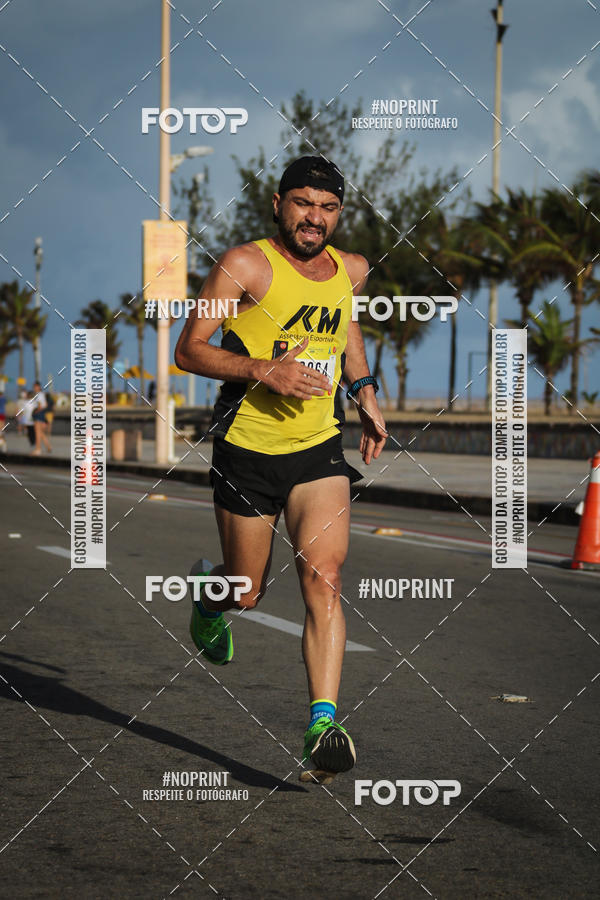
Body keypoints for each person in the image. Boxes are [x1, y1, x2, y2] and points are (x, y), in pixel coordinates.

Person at [175, 156, 387, 783]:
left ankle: (323, 723)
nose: (313, 219)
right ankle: (209, 599)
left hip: (318, 447)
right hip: (246, 448)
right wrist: (263, 369)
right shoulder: (245, 265)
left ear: (338, 213)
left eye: (326, 208)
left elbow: (345, 327)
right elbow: (189, 349)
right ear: (278, 203)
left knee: (324, 577)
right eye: (302, 204)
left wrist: (365, 391)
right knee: (247, 590)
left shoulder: (351, 269)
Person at [31, 381, 51, 456]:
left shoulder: (39, 395)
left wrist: (36, 411)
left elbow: (43, 405)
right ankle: (48, 446)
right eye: (34, 386)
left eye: (35, 386)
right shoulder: (41, 394)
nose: (34, 388)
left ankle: (38, 449)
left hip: (38, 414)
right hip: (41, 414)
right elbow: (45, 405)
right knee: (40, 432)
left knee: (37, 432)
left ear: (38, 387)